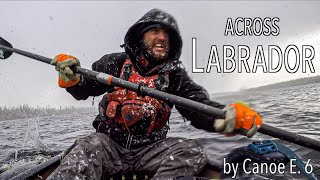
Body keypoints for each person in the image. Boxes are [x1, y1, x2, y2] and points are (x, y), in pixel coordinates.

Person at [47, 9, 262, 179]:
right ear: (140, 37)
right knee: (86, 147)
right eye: (154, 31)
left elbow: (197, 106)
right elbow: (84, 88)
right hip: (108, 145)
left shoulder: (175, 76)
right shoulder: (114, 62)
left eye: (167, 34)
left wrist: (224, 117)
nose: (161, 37)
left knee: (192, 150)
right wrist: (72, 79)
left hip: (151, 151)